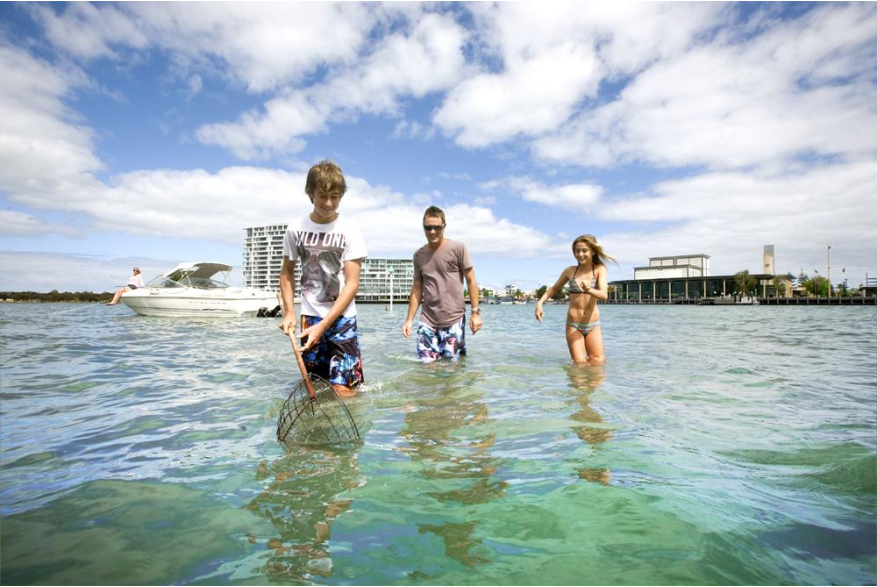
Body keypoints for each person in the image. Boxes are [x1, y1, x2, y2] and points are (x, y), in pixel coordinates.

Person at [279, 160, 367, 397]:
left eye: (335, 196)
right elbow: (286, 273)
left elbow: (352, 284)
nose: (329, 203)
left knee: (342, 389)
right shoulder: (295, 228)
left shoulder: (350, 230)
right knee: (318, 385)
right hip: (310, 316)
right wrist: (289, 312)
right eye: (322, 195)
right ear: (310, 193)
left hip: (342, 319)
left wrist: (324, 325)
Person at [402, 206, 482, 362]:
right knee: (426, 368)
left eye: (437, 227)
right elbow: (417, 289)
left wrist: (475, 313)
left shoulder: (458, 248)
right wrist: (409, 319)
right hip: (427, 321)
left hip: (454, 320)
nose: (432, 231)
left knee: (453, 371)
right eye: (428, 227)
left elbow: (471, 280)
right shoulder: (418, 255)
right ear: (423, 227)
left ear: (444, 226)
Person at [535, 234, 615, 366]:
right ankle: (578, 386)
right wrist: (539, 303)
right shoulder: (570, 271)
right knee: (579, 364)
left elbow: (603, 295)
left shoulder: (600, 270)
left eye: (584, 250)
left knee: (597, 361)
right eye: (577, 251)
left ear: (593, 251)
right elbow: (554, 289)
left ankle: (593, 386)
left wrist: (589, 290)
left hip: (593, 324)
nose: (580, 254)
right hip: (573, 325)